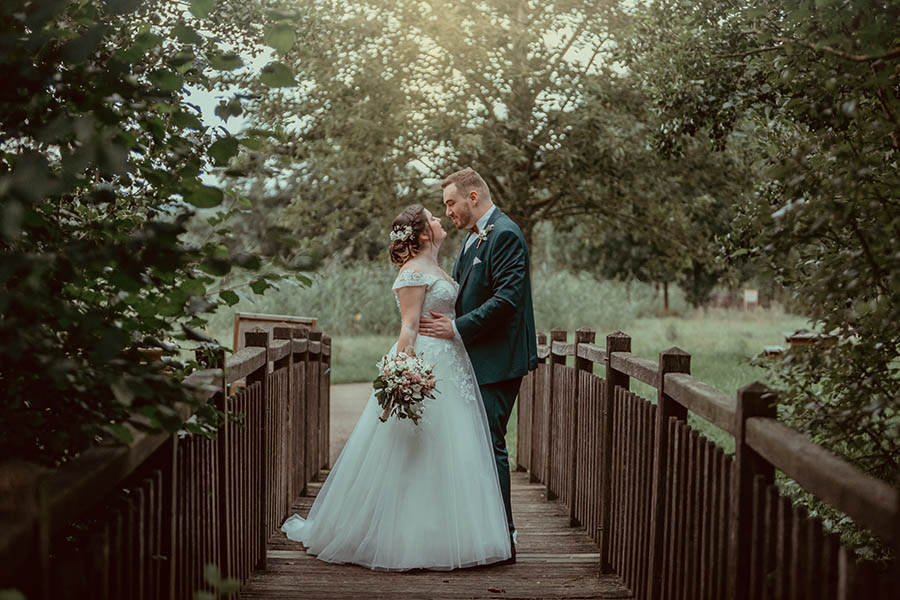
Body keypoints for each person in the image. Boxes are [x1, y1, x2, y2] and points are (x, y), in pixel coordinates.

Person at [280, 204, 512, 570]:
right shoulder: (413, 272)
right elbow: (408, 326)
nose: (440, 219)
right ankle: (404, 536)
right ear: (422, 234)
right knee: (414, 447)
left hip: (452, 366)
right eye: (434, 218)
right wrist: (401, 375)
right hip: (423, 363)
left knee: (453, 447)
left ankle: (451, 534)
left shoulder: (438, 268)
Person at [419, 167, 538, 563]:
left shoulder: (504, 234)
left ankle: (505, 536)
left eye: (451, 203)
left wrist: (455, 329)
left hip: (497, 361)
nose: (448, 212)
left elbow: (507, 301)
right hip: (472, 361)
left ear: (473, 197)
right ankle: (478, 531)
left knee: (490, 446)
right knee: (475, 446)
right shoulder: (473, 240)